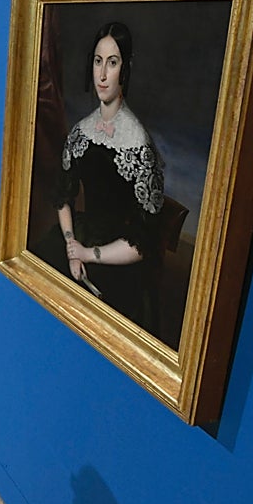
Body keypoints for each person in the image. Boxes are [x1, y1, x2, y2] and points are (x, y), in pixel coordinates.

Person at [36, 22, 164, 328]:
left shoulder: (139, 144)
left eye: (113, 62)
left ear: (126, 69)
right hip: (80, 237)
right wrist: (71, 247)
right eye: (97, 61)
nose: (102, 75)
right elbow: (62, 197)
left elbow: (143, 242)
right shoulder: (81, 131)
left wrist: (89, 254)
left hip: (118, 256)